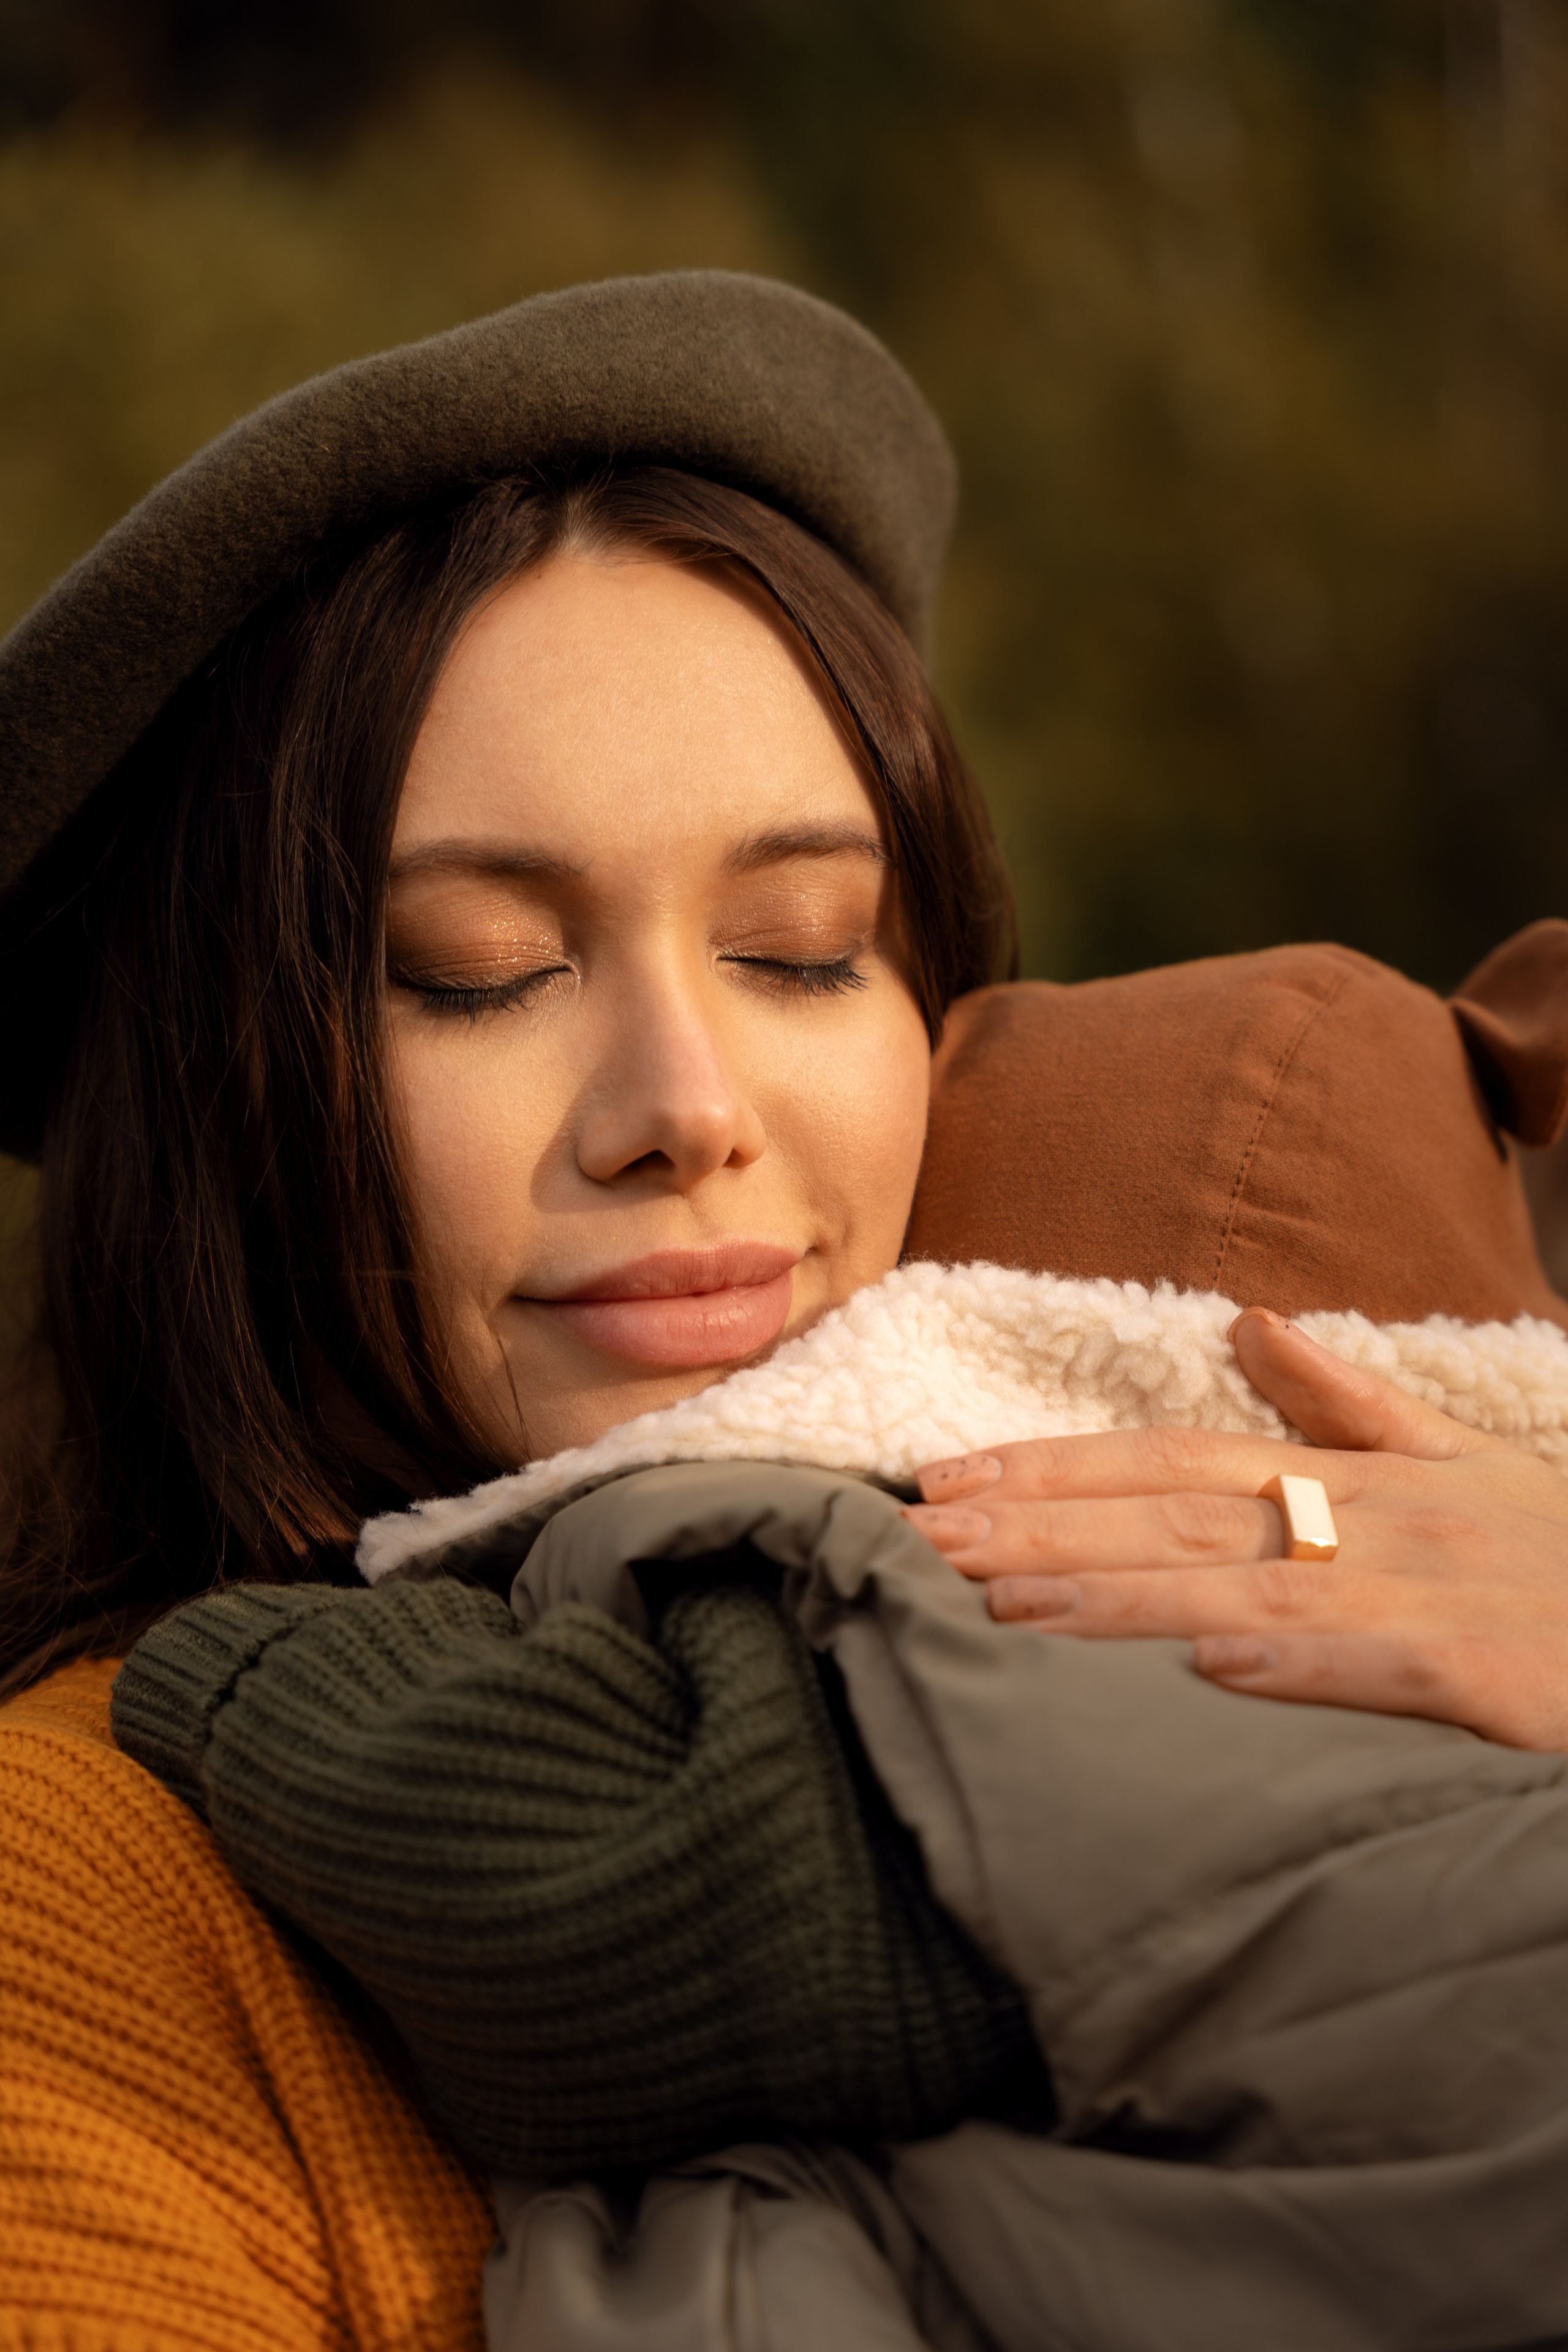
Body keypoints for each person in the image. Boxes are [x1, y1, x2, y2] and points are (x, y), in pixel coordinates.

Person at [2, 268, 1567, 2345]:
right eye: (478, 967)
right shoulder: (81, 1895)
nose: (690, 1109)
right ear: (211, 1087)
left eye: (808, 946)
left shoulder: (1424, 1572)